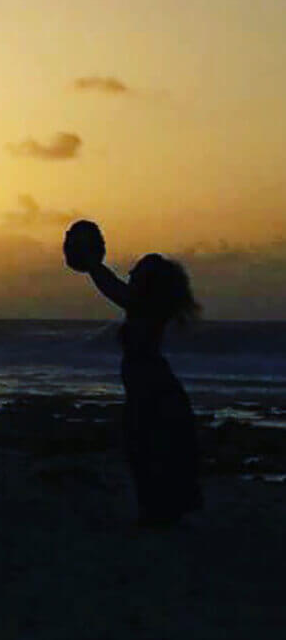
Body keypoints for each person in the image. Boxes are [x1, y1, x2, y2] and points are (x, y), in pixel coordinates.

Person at [66, 223, 203, 525]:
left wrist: (92, 265)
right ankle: (159, 510)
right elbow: (114, 285)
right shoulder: (144, 305)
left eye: (137, 271)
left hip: (150, 386)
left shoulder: (145, 306)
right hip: (148, 384)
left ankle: (157, 512)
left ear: (149, 282)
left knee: (146, 448)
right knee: (148, 448)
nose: (131, 274)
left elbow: (112, 286)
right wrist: (93, 266)